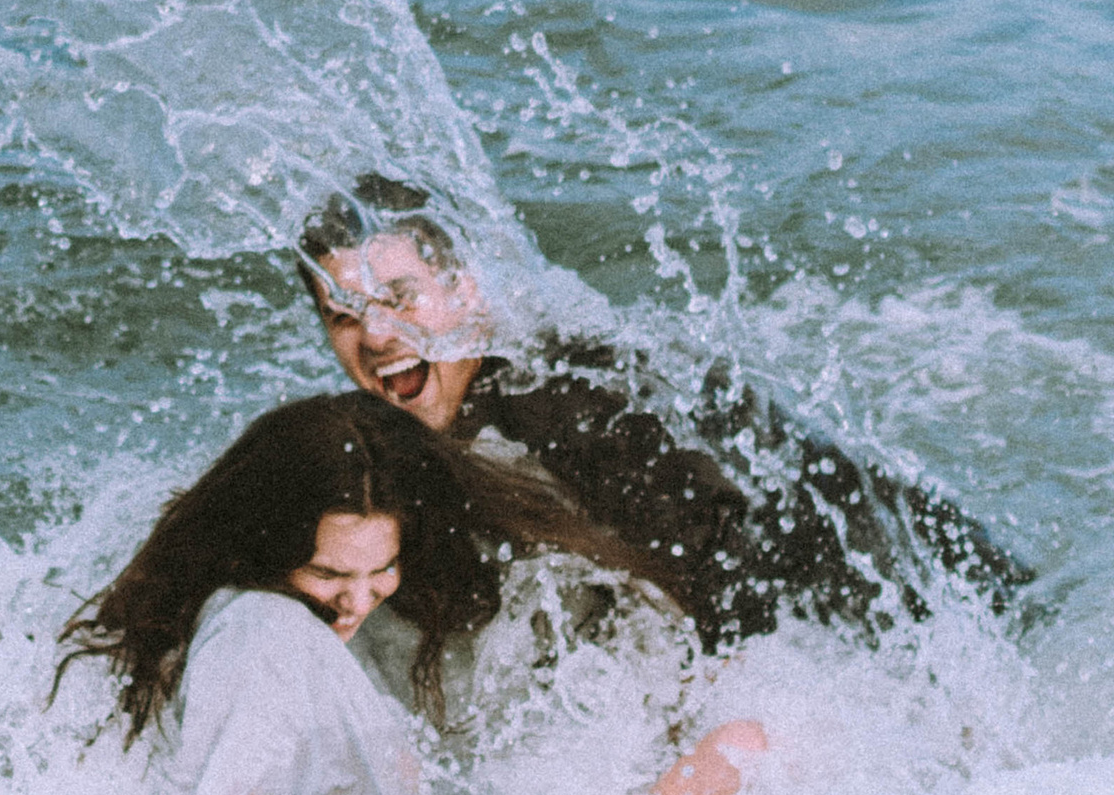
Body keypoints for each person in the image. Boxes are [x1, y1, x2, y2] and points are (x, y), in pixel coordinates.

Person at [58, 395, 763, 795]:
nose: (357, 600)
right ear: (265, 543)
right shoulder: (259, 636)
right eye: (328, 572)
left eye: (381, 568)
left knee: (750, 749)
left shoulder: (365, 609)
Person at [295, 171, 1028, 652]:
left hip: (936, 589)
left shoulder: (555, 398)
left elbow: (725, 549)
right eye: (344, 316)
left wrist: (706, 699)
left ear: (466, 292)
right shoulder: (452, 407)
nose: (377, 335)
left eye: (399, 297)